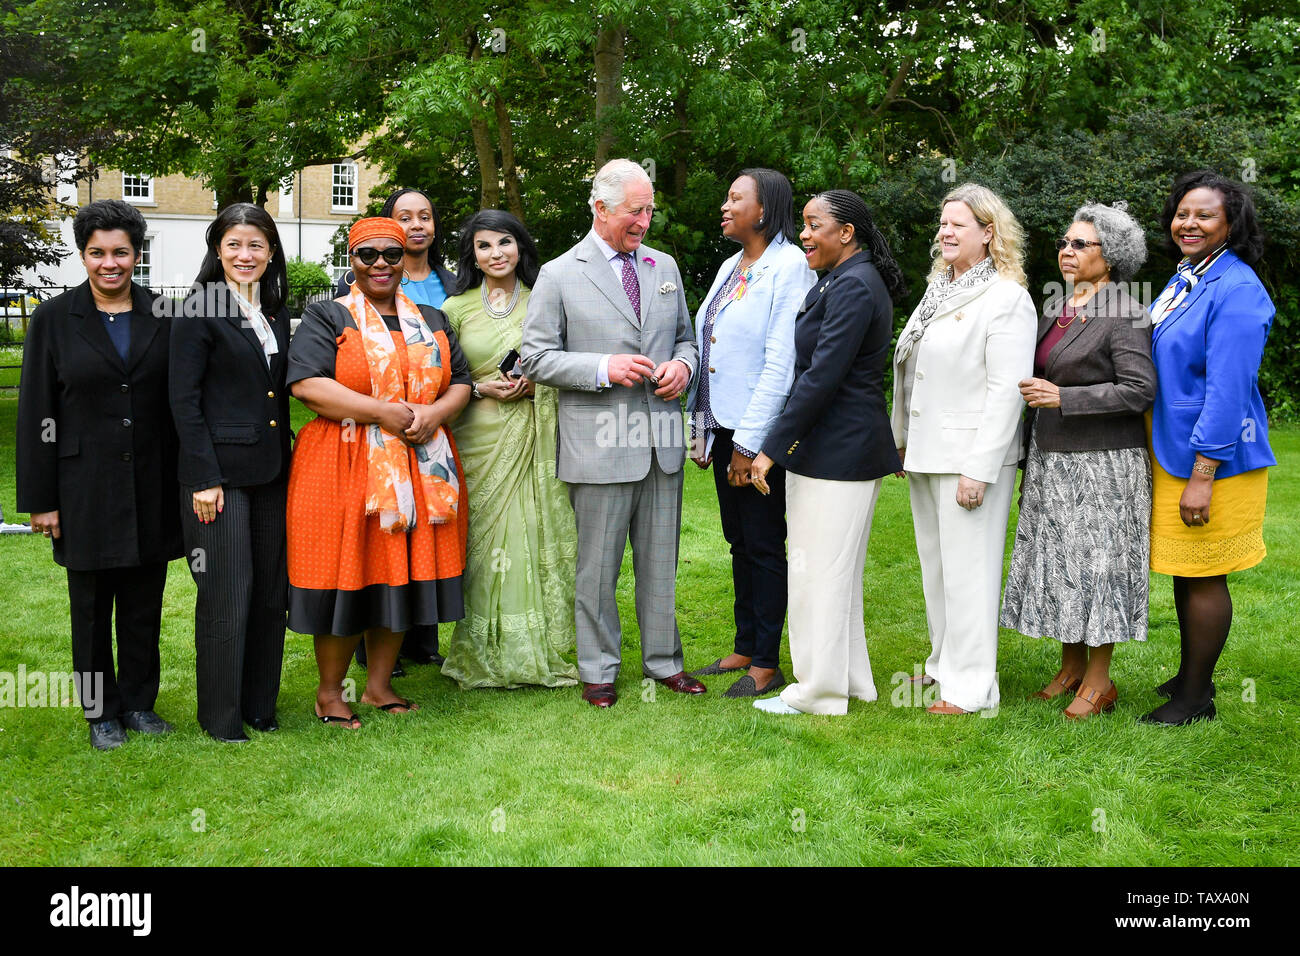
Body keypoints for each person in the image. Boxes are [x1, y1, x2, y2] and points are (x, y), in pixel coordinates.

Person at [521, 158, 704, 708]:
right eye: (635, 211)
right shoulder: (558, 273)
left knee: (659, 563)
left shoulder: (663, 266)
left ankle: (664, 662)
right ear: (600, 209)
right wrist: (603, 369)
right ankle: (598, 669)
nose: (645, 221)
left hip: (662, 446)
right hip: (598, 445)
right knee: (597, 569)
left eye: (649, 210)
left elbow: (686, 340)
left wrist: (683, 368)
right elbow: (534, 358)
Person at [288, 217, 471, 727]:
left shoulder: (432, 316)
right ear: (353, 260)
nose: (381, 265)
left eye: (391, 255)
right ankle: (330, 693)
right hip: (347, 462)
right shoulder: (329, 316)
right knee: (350, 573)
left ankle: (378, 686)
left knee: (398, 572)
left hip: (419, 462)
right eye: (368, 255)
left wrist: (433, 414)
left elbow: (461, 381)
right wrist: (383, 412)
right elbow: (307, 385)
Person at [16, 199, 182, 751]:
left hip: (150, 484)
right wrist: (42, 499)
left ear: (136, 254)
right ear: (83, 255)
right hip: (82, 488)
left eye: (120, 252)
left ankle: (138, 703)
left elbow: (177, 401)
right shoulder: (54, 320)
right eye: (97, 253)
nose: (109, 263)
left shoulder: (164, 314)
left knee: (143, 602)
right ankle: (100, 713)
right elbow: (38, 412)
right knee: (90, 609)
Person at [748, 190, 908, 716]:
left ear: (847, 233)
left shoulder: (855, 287)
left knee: (819, 574)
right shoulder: (843, 279)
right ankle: (852, 682)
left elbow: (820, 379)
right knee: (835, 574)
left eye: (815, 225)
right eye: (805, 225)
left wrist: (770, 450)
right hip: (831, 449)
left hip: (840, 451)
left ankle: (816, 693)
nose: (805, 235)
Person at [1001, 203, 1156, 719]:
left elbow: (1139, 390)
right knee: (1061, 565)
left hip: (1105, 465)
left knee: (1099, 568)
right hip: (1053, 458)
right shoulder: (1057, 307)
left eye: (1080, 245)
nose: (1067, 251)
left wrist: (1065, 398)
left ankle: (1099, 680)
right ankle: (1069, 667)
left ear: (1110, 256)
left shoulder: (1127, 310)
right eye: (1064, 243)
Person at [890, 183, 1037, 715]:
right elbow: (914, 370)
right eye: (943, 223)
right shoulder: (939, 290)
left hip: (971, 459)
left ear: (988, 232)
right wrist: (903, 440)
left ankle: (973, 688)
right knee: (937, 567)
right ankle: (942, 667)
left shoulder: (1006, 298)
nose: (946, 232)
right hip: (928, 452)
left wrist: (979, 468)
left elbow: (1007, 390)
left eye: (959, 224)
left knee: (970, 572)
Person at [1141, 170, 1275, 726]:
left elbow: (1227, 390)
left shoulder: (1238, 289)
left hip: (1214, 457)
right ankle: (1191, 671)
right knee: (1186, 567)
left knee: (1205, 573)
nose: (1188, 223)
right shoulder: (1190, 277)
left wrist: (1203, 472)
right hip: (1174, 447)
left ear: (1230, 224)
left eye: (1204, 215)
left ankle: (1195, 699)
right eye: (1182, 213)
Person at [686, 168, 814, 700]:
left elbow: (780, 363)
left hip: (757, 435)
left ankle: (766, 660)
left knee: (763, 543)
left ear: (764, 210)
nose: (725, 204)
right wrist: (702, 425)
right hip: (723, 427)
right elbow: (710, 346)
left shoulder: (790, 268)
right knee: (738, 540)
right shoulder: (732, 265)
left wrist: (749, 446)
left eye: (736, 198)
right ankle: (744, 643)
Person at [438, 209, 579, 689]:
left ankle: (543, 649)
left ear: (521, 246)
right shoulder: (455, 308)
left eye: (504, 243)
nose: (496, 254)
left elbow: (566, 363)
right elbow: (447, 379)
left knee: (535, 531)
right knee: (483, 541)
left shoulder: (548, 297)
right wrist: (481, 389)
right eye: (484, 246)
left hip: (539, 433)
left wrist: (539, 388)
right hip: (479, 434)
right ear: (471, 255)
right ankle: (482, 651)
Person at [170, 203, 292, 743]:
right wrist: (201, 477)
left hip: (271, 470)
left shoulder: (273, 308)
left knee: (270, 592)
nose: (246, 255)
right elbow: (183, 399)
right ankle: (221, 718)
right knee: (226, 591)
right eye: (235, 244)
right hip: (217, 476)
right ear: (217, 249)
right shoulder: (199, 306)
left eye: (257, 245)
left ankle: (259, 705)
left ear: (271, 252)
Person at [338, 188, 456, 673]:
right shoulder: (344, 302)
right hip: (369, 441)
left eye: (425, 216)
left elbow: (457, 365)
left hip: (433, 434)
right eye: (404, 218)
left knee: (426, 531)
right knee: (380, 537)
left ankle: (419, 638)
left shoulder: (450, 289)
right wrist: (385, 412)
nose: (415, 226)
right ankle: (372, 647)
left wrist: (436, 411)